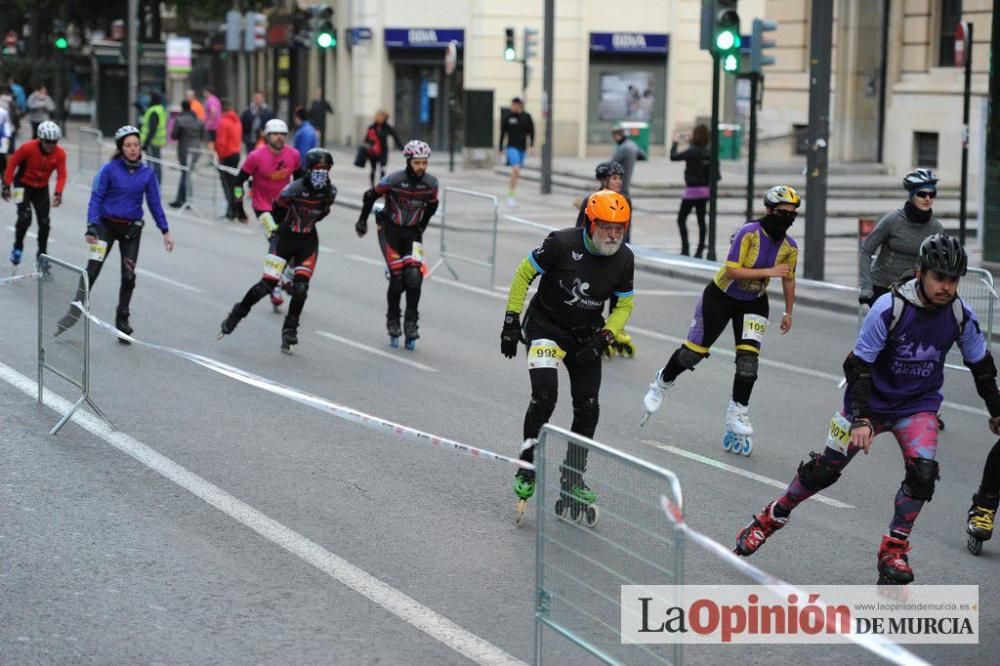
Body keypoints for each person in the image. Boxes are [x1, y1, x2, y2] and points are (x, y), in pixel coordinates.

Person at [735, 234, 1000, 585]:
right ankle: (772, 516)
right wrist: (861, 418)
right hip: (868, 403)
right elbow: (857, 366)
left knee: (923, 474)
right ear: (921, 273)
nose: (947, 287)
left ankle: (893, 550)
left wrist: (996, 410)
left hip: (916, 406)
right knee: (824, 471)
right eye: (940, 278)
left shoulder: (959, 315)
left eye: (953, 280)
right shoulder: (889, 308)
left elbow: (981, 365)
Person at [502, 190, 635, 525]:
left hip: (585, 335)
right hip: (545, 327)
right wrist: (510, 320)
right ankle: (528, 465)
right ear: (590, 223)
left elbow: (624, 305)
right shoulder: (560, 243)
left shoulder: (624, 259)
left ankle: (572, 476)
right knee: (545, 395)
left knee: (588, 407)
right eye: (607, 227)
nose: (614, 235)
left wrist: (606, 338)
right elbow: (523, 274)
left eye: (620, 228)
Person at [641, 185, 801, 456]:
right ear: (770, 210)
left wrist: (788, 311)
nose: (788, 218)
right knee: (693, 354)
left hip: (755, 301)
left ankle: (737, 413)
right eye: (783, 213)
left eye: (793, 214)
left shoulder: (790, 247)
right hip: (721, 296)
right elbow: (733, 270)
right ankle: (662, 381)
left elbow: (789, 278)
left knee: (748, 362)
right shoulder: (748, 233)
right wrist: (770, 271)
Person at [55, 126, 174, 342]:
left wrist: (165, 231)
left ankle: (122, 321)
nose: (133, 149)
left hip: (131, 230)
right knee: (91, 272)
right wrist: (91, 226)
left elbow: (155, 204)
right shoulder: (109, 169)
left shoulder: (147, 173)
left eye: (136, 145)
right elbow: (96, 198)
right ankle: (74, 312)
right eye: (128, 145)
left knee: (129, 276)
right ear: (121, 148)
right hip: (105, 228)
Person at [219, 149, 336, 354]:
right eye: (319, 169)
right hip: (284, 238)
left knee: (301, 288)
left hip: (308, 241)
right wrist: (242, 209)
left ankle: (290, 329)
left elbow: (323, 212)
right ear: (309, 169)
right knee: (266, 285)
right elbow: (277, 210)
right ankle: (237, 313)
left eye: (326, 169)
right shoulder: (293, 189)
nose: (322, 173)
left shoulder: (330, 192)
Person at [355, 139, 438, 349]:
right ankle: (393, 321)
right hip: (390, 231)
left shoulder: (431, 184)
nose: (421, 167)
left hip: (412, 233)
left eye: (424, 163)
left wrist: (423, 225)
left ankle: (411, 324)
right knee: (398, 280)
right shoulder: (393, 180)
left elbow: (432, 205)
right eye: (417, 162)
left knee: (414, 277)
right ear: (408, 161)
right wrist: (362, 221)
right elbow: (370, 196)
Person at [232, 118, 302, 309]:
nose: (279, 138)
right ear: (267, 136)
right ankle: (276, 286)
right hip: (263, 207)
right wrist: (238, 208)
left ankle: (286, 278)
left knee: (295, 248)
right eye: (275, 134)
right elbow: (238, 183)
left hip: (286, 207)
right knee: (277, 242)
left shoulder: (294, 155)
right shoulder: (256, 157)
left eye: (282, 134)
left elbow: (301, 181)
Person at [575, 161, 635, 358]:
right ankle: (594, 326)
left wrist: (625, 251)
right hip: (594, 253)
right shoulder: (591, 200)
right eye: (614, 178)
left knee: (618, 295)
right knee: (594, 293)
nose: (618, 182)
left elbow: (626, 230)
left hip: (615, 253)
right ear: (603, 180)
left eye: (620, 178)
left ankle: (613, 328)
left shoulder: (625, 200)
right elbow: (579, 229)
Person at [2, 121, 66, 275]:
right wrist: (6, 184)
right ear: (41, 140)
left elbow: (62, 175)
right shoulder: (28, 148)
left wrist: (58, 193)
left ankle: (42, 255)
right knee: (25, 217)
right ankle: (18, 246)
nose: (51, 145)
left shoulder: (60, 153)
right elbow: (12, 164)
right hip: (22, 185)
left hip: (41, 188)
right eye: (48, 142)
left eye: (54, 142)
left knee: (44, 223)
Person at [670, 124, 711, 257]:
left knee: (681, 219)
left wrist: (675, 142)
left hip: (692, 190)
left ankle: (685, 248)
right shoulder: (708, 151)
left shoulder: (692, 151)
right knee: (701, 220)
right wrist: (692, 142)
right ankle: (699, 251)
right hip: (705, 191)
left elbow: (673, 157)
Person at [498, 97, 534, 208]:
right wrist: (500, 149)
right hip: (511, 147)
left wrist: (531, 145)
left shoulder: (526, 117)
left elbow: (531, 132)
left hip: (522, 148)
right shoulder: (508, 117)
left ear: (519, 106)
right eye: (511, 105)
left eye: (514, 105)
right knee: (516, 169)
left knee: (516, 173)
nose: (512, 107)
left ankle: (511, 194)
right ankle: (510, 196)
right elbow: (503, 133)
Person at [168, 100, 204, 208]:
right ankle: (183, 198)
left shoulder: (179, 120)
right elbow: (202, 135)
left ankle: (184, 199)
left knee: (185, 173)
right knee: (187, 173)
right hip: (196, 149)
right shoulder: (199, 120)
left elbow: (174, 135)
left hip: (184, 149)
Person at [214, 99, 243, 220]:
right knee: (235, 183)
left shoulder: (223, 122)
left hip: (226, 155)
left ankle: (231, 210)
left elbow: (221, 142)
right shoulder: (237, 121)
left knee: (227, 184)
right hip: (236, 153)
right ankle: (237, 208)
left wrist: (220, 157)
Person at [362, 110, 403, 189]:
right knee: (373, 170)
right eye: (378, 116)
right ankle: (372, 187)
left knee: (382, 170)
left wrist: (402, 149)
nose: (379, 118)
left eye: (381, 117)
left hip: (383, 152)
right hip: (373, 152)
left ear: (385, 118)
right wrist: (371, 139)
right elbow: (366, 140)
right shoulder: (372, 127)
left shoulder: (388, 127)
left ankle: (381, 187)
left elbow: (396, 138)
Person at [611, 123, 646, 197]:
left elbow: (612, 163)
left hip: (620, 177)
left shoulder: (623, 148)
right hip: (627, 177)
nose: (614, 139)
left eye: (614, 137)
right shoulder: (632, 144)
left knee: (622, 193)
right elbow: (643, 156)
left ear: (617, 136)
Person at [140, 91, 167, 184]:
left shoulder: (154, 111)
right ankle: (156, 183)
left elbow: (152, 128)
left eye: (150, 97)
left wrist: (146, 143)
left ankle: (154, 184)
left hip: (152, 142)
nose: (148, 99)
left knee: (152, 164)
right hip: (156, 141)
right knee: (156, 163)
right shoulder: (159, 109)